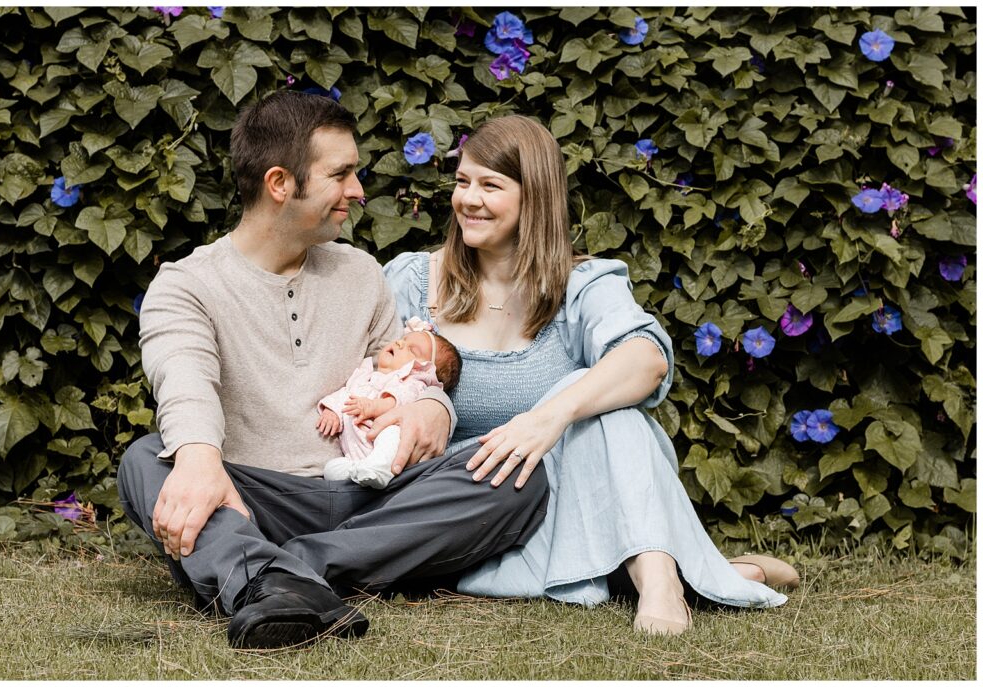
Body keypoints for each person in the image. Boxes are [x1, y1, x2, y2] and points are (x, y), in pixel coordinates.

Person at [116, 93, 548, 650]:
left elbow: (406, 372)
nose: (358, 191)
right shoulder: (187, 285)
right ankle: (283, 568)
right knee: (145, 460)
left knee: (514, 474)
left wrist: (431, 407)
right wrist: (198, 460)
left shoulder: (360, 272)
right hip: (251, 496)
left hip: (364, 488)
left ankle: (286, 572)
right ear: (280, 183)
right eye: (341, 174)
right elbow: (184, 380)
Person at [384, 115, 799, 636]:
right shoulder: (413, 280)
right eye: (463, 181)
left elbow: (646, 358)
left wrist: (549, 417)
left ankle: (661, 585)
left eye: (490, 185)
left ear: (534, 197)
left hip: (561, 500)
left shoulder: (580, 284)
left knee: (607, 405)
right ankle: (718, 573)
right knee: (593, 398)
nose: (468, 199)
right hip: (460, 504)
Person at [318, 318, 462, 488]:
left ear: (423, 369)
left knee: (392, 433)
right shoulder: (365, 376)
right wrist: (332, 411)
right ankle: (358, 473)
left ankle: (380, 469)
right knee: (331, 469)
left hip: (390, 450)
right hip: (357, 456)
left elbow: (401, 401)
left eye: (412, 350)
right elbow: (346, 394)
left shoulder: (412, 383)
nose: (400, 343)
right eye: (403, 339)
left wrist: (374, 406)